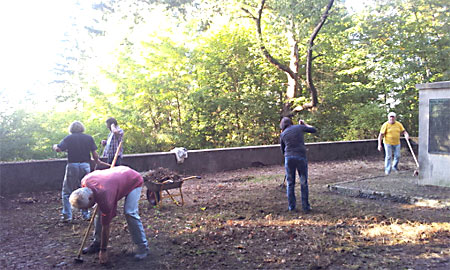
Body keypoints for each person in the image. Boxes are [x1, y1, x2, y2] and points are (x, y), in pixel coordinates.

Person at [69, 166, 149, 264]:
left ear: (90, 198)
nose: (87, 209)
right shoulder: (85, 181)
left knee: (130, 212)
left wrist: (103, 250)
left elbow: (105, 226)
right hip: (116, 178)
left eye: (86, 207)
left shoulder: (105, 198)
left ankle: (142, 247)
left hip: (133, 180)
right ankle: (97, 243)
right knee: (98, 212)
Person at [53, 121, 106, 222]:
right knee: (85, 190)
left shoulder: (69, 138)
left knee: (67, 191)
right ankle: (86, 215)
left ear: (71, 129)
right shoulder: (88, 138)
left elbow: (58, 149)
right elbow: (94, 154)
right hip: (85, 165)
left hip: (72, 165)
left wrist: (55, 146)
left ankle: (67, 216)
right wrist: (97, 162)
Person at [279, 117, 317, 213]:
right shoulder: (299, 127)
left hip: (289, 158)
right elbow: (314, 130)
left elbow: (282, 150)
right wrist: (304, 124)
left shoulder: (282, 134)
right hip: (301, 157)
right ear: (291, 123)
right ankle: (306, 207)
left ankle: (292, 207)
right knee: (303, 182)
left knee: (290, 183)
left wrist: (288, 156)